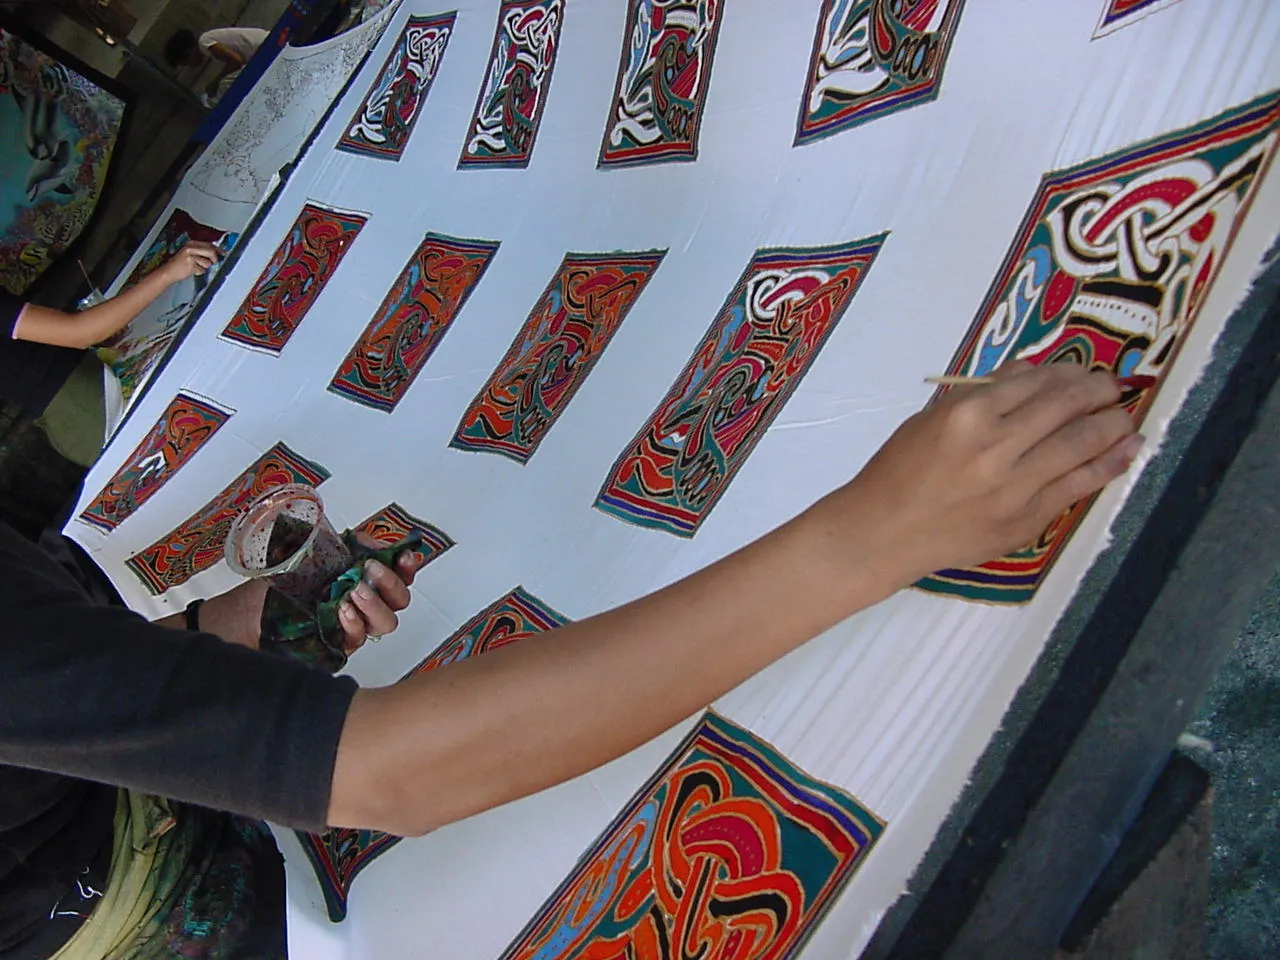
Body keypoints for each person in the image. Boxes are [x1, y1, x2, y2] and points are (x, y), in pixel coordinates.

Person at [0, 361, 1143, 957]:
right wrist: (879, 531)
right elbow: (394, 774)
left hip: (203, 831)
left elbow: (63, 701)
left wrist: (225, 632)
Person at [0, 242, 221, 474]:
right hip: (85, 407)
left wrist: (100, 327)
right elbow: (79, 333)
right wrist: (169, 272)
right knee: (212, 467)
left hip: (80, 397)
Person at [163, 27, 269, 101]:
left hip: (262, 47)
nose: (190, 66)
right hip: (260, 46)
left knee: (224, 86)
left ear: (188, 53)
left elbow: (237, 61)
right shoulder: (206, 43)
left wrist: (215, 82)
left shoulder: (204, 42)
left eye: (186, 63)